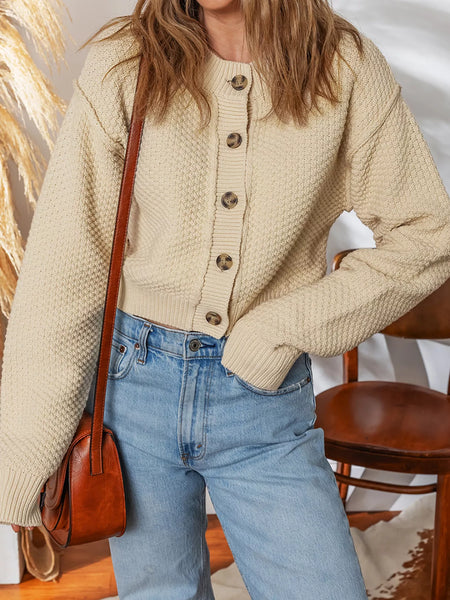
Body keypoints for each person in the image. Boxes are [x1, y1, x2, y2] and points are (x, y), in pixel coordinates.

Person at [1, 0, 450, 597]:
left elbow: (428, 234)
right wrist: (25, 455)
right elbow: (66, 261)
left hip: (263, 400)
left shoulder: (343, 67)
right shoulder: (128, 61)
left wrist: (280, 330)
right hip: (133, 393)